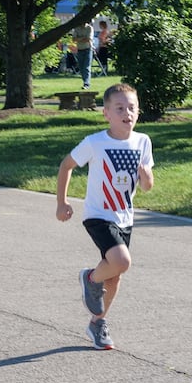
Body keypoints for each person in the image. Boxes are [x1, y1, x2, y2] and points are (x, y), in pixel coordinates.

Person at [55, 82, 155, 351]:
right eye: (120, 108)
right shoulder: (95, 142)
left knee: (115, 274)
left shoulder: (142, 142)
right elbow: (66, 165)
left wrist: (147, 178)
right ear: (106, 113)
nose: (127, 113)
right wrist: (62, 202)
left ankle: (98, 322)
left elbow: (147, 186)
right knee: (121, 261)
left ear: (138, 112)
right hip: (98, 215)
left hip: (125, 217)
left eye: (132, 108)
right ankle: (89, 279)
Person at [72, 20, 94, 90]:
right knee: (81, 68)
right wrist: (82, 38)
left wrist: (79, 38)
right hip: (80, 49)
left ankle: (86, 84)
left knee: (86, 67)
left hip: (88, 49)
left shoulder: (89, 28)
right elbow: (73, 39)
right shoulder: (76, 28)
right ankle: (85, 81)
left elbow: (88, 39)